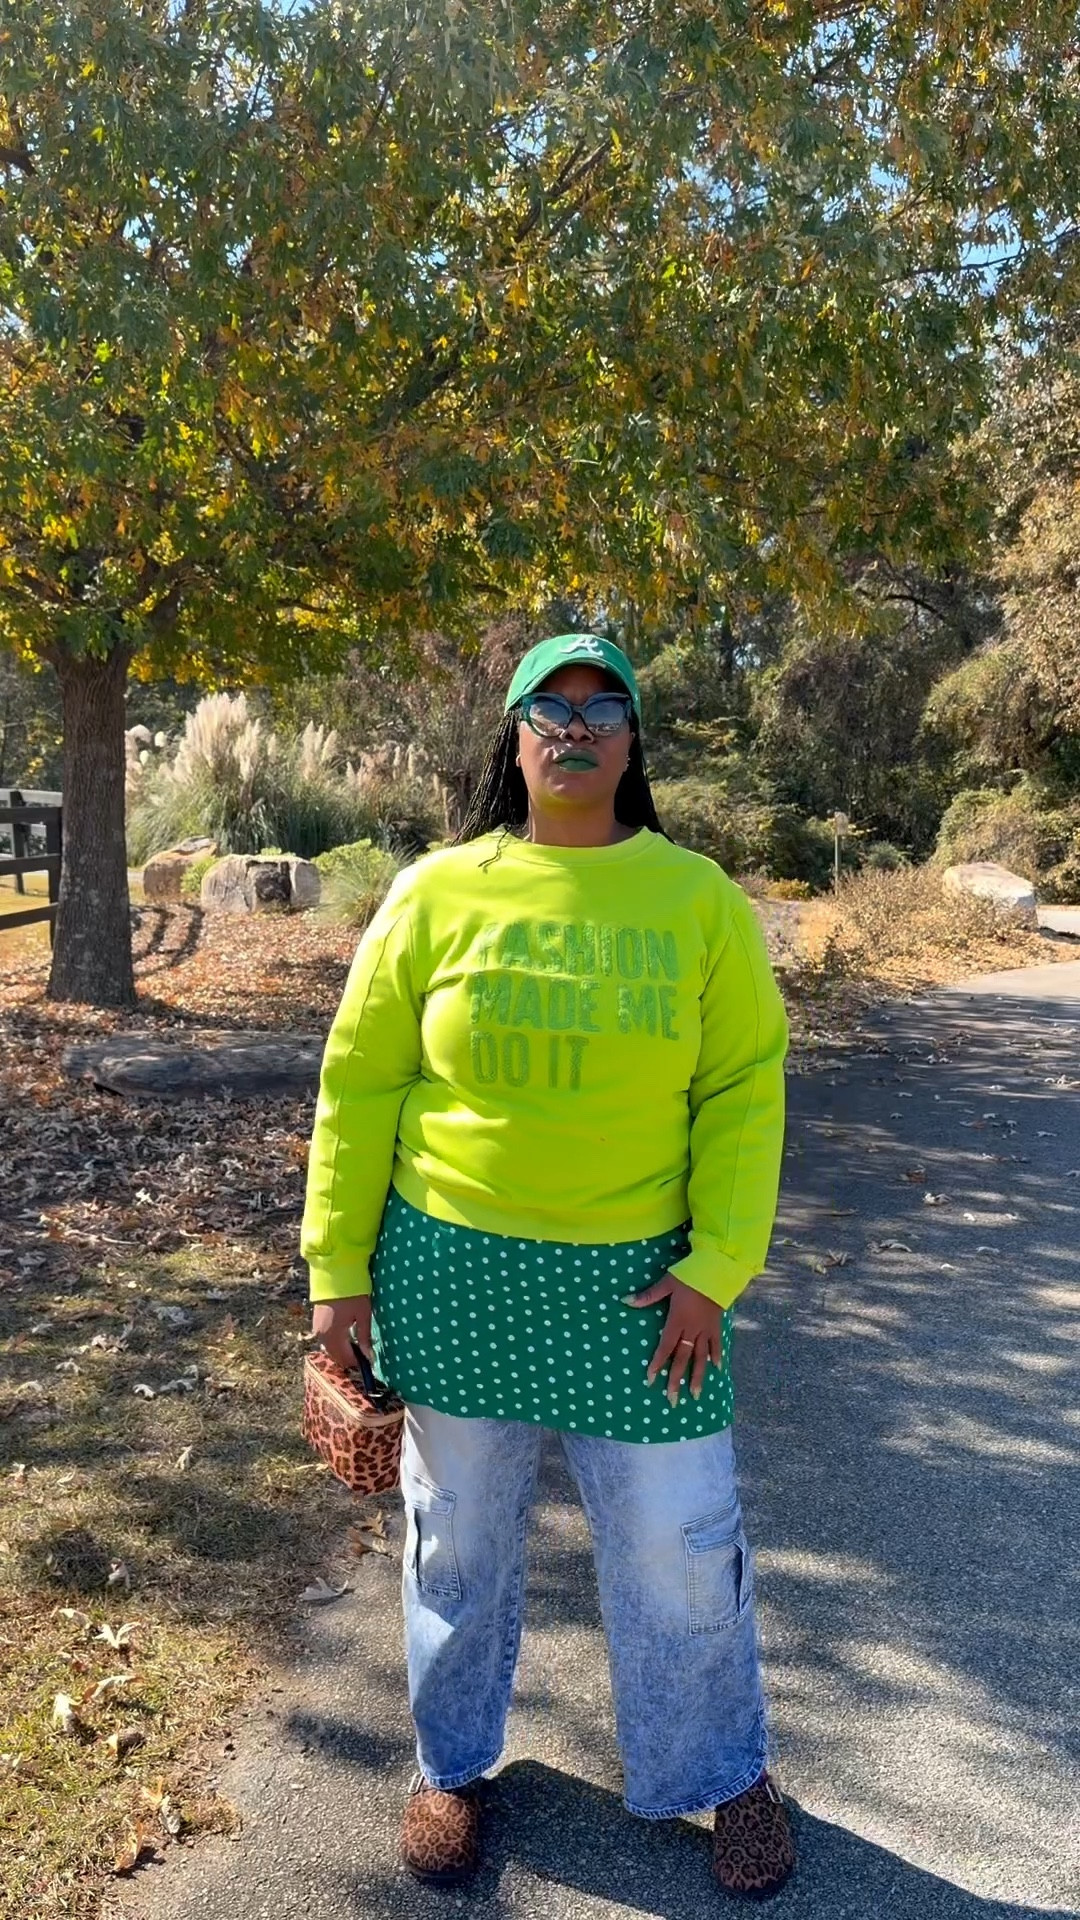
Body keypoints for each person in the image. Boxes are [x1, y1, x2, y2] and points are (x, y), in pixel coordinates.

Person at [302, 634, 794, 1899]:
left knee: (682, 1543)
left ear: (633, 744)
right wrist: (337, 1269)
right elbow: (360, 1083)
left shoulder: (698, 900)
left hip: (649, 1294)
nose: (575, 729)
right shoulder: (434, 894)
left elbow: (744, 1090)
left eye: (602, 707)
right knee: (455, 1542)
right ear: (513, 739)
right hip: (453, 1275)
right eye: (549, 709)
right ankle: (452, 1765)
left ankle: (724, 1769)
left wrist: (717, 1266)